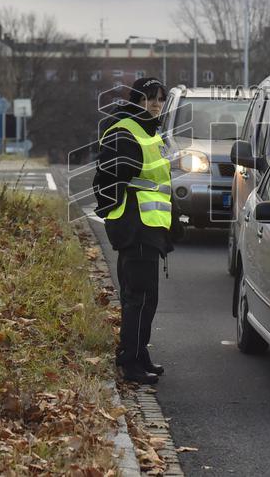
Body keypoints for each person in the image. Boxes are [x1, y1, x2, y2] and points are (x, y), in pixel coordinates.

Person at [94, 77, 181, 385]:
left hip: (150, 227)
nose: (155, 104)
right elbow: (110, 176)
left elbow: (158, 183)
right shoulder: (126, 131)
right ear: (136, 100)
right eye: (148, 98)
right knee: (139, 299)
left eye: (159, 98)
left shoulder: (149, 133)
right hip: (136, 227)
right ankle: (129, 362)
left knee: (147, 298)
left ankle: (139, 353)